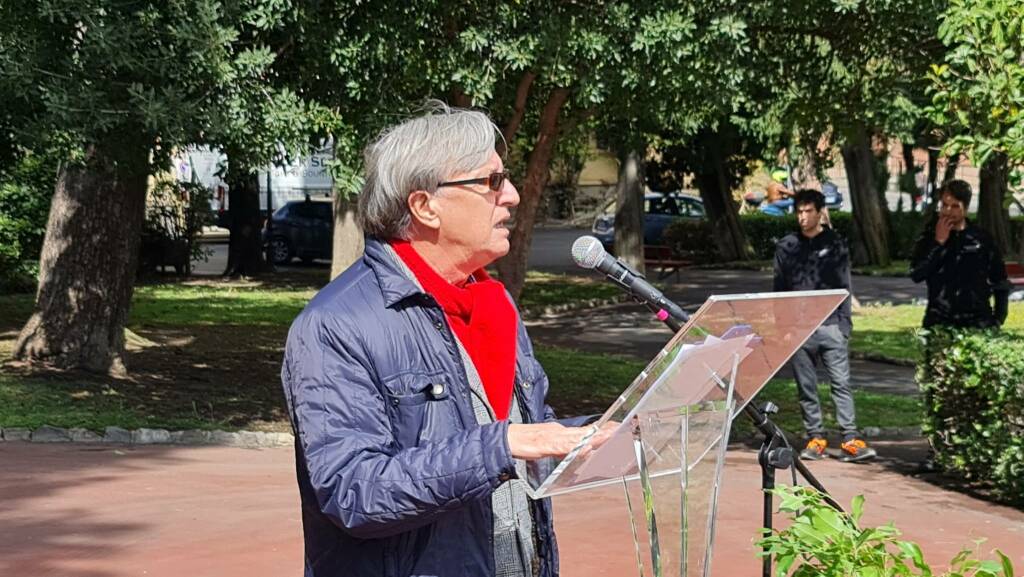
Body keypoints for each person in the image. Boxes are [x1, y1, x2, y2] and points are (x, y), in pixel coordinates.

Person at [280, 103, 609, 577]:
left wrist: (598, 433)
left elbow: (524, 432)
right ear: (424, 206)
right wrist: (500, 447)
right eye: (491, 182)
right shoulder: (334, 326)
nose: (513, 196)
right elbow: (354, 492)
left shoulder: (493, 306)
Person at [773, 189, 877, 463]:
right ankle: (815, 438)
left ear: (820, 213)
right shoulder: (787, 246)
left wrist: (844, 326)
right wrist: (783, 328)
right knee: (806, 387)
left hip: (831, 327)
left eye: (808, 211)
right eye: (799, 212)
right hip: (799, 330)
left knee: (841, 384)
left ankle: (850, 439)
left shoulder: (835, 244)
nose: (803, 217)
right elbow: (779, 290)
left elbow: (845, 286)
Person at [910, 179, 1010, 329]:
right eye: (944, 205)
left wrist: (998, 319)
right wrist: (938, 243)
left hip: (977, 322)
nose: (948, 211)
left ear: (966, 207)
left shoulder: (981, 239)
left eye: (955, 206)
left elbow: (1000, 280)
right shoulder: (929, 237)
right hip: (939, 322)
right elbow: (917, 274)